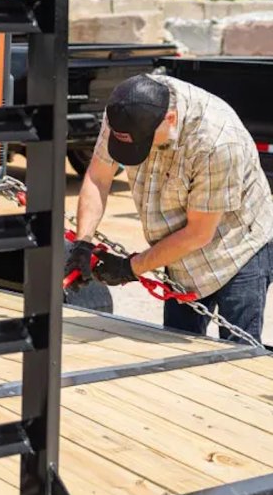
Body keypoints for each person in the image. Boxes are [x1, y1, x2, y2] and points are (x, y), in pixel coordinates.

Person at [67, 72, 273, 344]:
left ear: (171, 119)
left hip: (236, 249)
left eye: (144, 143)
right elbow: (98, 178)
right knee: (174, 350)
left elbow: (199, 233)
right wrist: (82, 243)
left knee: (238, 353)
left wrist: (130, 268)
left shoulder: (217, 142)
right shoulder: (125, 109)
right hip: (177, 253)